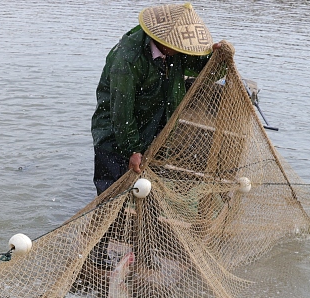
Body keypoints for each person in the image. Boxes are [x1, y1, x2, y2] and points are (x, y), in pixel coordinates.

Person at [91, 3, 216, 195]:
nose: (182, 50)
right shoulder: (128, 59)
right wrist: (132, 150)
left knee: (144, 191)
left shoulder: (174, 52)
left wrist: (216, 58)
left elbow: (205, 70)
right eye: (178, 46)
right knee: (111, 192)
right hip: (114, 137)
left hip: (151, 127)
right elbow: (121, 111)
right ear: (162, 41)